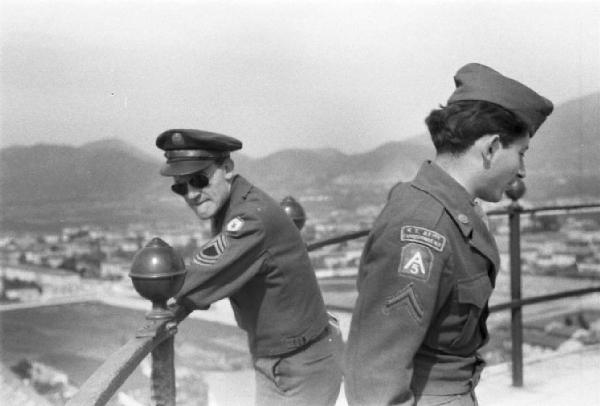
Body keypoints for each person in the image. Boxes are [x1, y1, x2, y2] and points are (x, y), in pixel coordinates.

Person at [343, 63, 553, 406]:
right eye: (521, 153)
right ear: (491, 148)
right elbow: (374, 378)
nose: (523, 171)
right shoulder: (423, 226)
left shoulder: (451, 211)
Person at [155, 129, 342, 406]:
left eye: (198, 180)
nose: (192, 194)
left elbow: (199, 277)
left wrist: (160, 296)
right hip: (282, 360)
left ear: (227, 168)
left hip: (300, 366)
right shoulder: (234, 205)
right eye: (181, 186)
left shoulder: (249, 220)